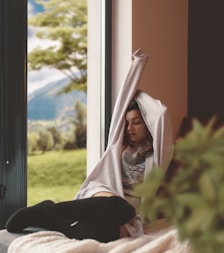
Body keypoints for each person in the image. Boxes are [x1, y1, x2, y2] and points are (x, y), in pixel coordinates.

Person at [6, 50, 174, 242]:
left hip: (127, 213)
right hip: (104, 193)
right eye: (126, 123)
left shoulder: (157, 154)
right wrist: (138, 65)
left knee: (103, 232)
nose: (129, 128)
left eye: (136, 122)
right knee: (119, 207)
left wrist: (139, 85)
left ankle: (48, 215)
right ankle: (49, 211)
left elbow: (160, 114)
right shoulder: (117, 145)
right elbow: (122, 103)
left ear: (148, 123)